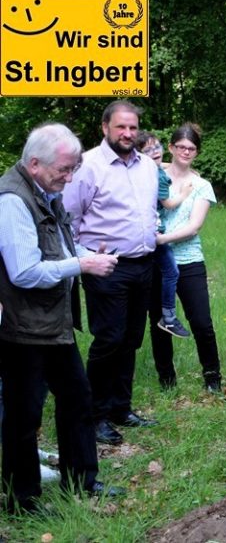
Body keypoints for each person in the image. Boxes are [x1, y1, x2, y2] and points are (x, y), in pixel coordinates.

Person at [0, 123, 123, 513]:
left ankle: (81, 480)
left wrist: (86, 250)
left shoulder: (45, 192)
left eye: (73, 170)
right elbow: (23, 271)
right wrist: (82, 264)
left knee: (77, 398)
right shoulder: (12, 201)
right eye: (64, 170)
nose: (70, 178)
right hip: (22, 329)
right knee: (24, 415)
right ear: (34, 164)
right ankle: (22, 499)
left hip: (53, 324)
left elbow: (58, 244)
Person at [63, 100, 159, 446]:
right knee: (109, 339)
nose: (127, 133)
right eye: (120, 127)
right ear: (105, 127)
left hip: (143, 264)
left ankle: (121, 407)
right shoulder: (87, 166)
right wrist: (86, 259)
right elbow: (67, 221)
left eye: (133, 127)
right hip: (106, 267)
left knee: (131, 339)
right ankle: (96, 414)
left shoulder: (148, 166)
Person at [148, 124, 223, 393]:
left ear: (197, 152)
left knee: (201, 321)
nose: (186, 152)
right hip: (156, 263)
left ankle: (212, 377)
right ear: (171, 148)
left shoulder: (202, 185)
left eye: (191, 148)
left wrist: (160, 240)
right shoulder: (153, 175)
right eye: (180, 147)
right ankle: (166, 379)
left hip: (189, 260)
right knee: (159, 323)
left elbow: (194, 227)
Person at [137, 131, 193, 339]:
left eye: (156, 146)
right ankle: (168, 317)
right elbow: (168, 204)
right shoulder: (156, 175)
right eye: (147, 150)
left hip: (142, 231)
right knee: (171, 272)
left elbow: (168, 167)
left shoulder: (145, 171)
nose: (154, 152)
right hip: (154, 232)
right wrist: (185, 193)